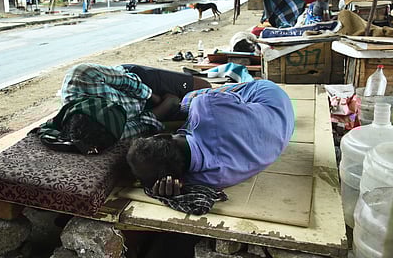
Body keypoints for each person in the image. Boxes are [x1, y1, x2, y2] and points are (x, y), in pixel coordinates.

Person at [126, 80, 295, 196]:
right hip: (272, 98)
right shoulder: (205, 106)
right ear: (164, 134)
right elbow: (234, 101)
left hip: (284, 130)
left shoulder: (210, 179)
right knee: (188, 99)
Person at [35, 63, 211, 154]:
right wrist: (166, 106)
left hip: (140, 84)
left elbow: (127, 81)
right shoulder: (106, 134)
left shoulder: (82, 76)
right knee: (201, 106)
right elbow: (142, 124)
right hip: (149, 111)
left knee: (204, 87)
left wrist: (156, 98)